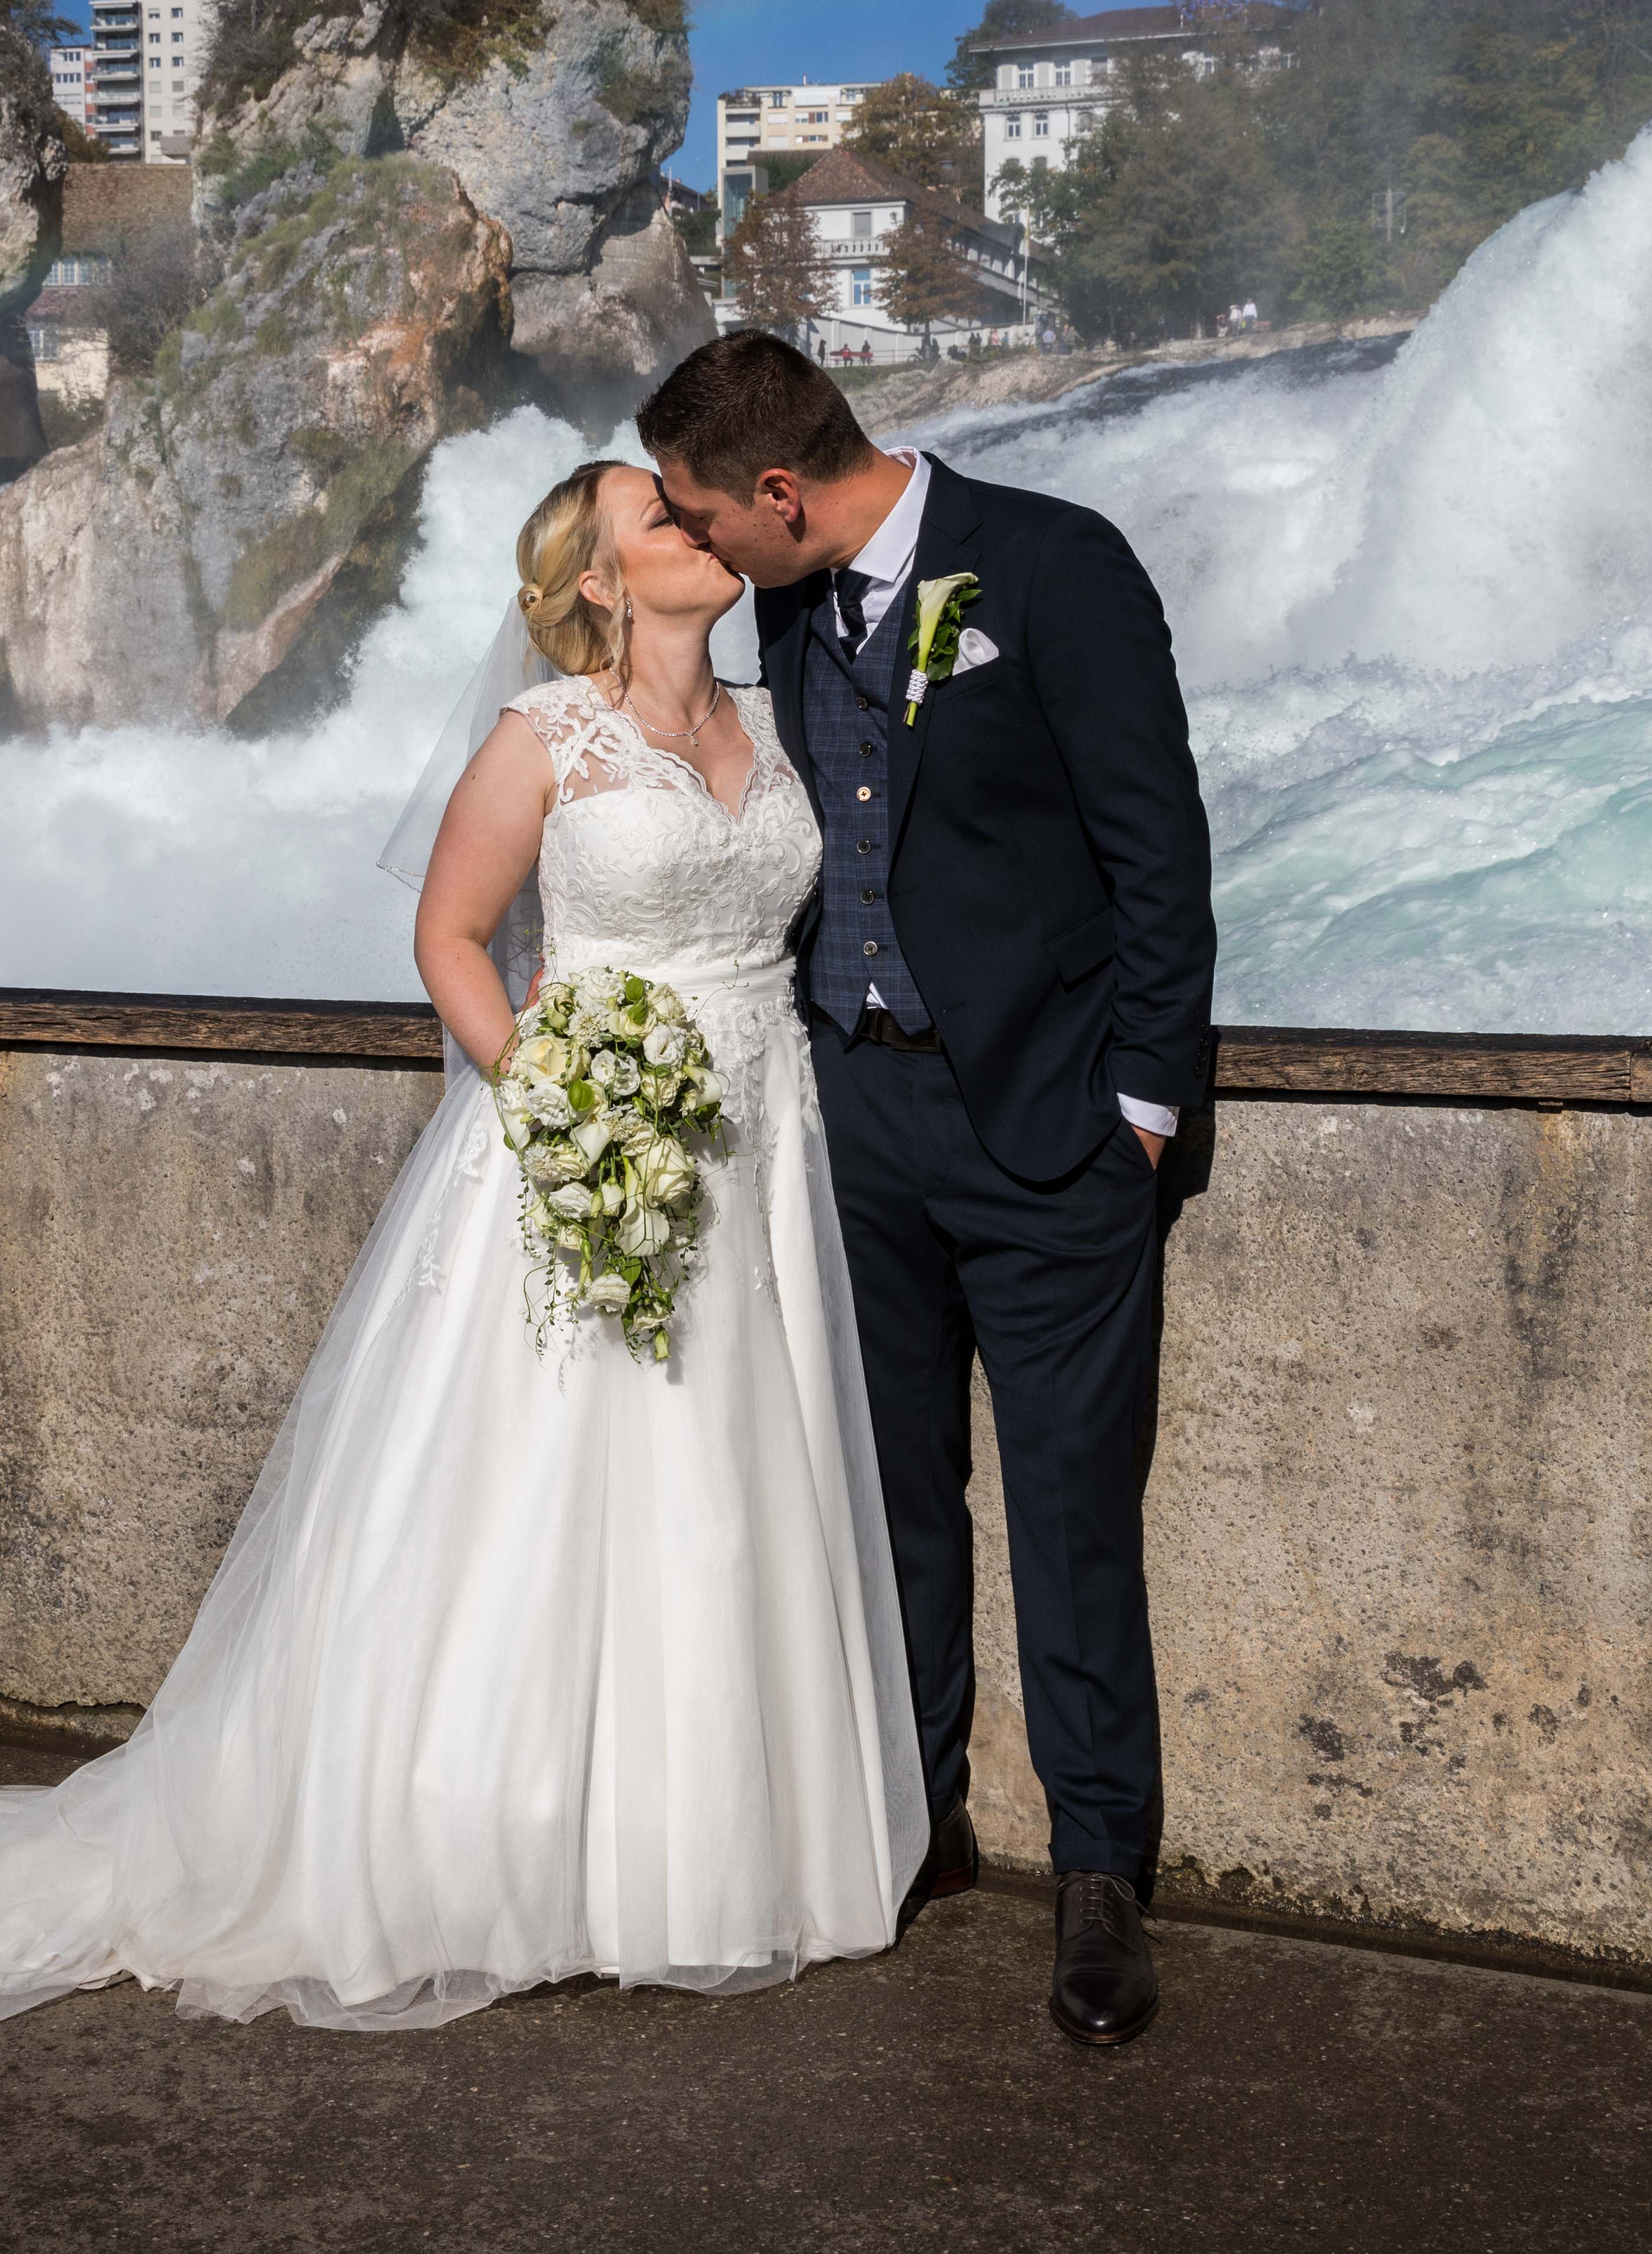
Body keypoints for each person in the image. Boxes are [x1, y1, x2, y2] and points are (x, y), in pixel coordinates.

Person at [0, 457, 924, 2047]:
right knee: (559, 1482)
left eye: (703, 512)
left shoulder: (780, 729)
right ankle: (514, 1848)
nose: (699, 530)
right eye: (663, 519)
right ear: (596, 582)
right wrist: (562, 1106)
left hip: (766, 1139)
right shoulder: (540, 740)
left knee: (734, 1472)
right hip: (585, 1143)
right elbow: (446, 940)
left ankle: (713, 1850)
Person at [638, 329, 1215, 2048]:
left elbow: (1156, 849)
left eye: (701, 515)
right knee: (890, 1505)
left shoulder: (1057, 565)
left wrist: (1143, 1110)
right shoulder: (793, 603)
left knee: (1069, 1513)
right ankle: (921, 1826)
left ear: (780, 493)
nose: (698, 548)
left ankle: (1101, 1877)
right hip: (856, 1130)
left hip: (1051, 1142)